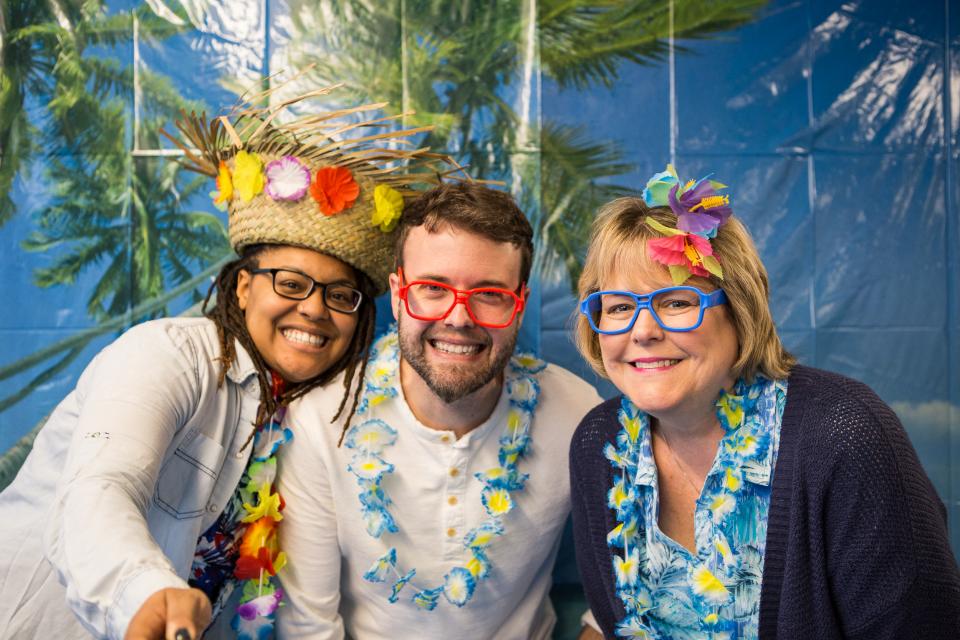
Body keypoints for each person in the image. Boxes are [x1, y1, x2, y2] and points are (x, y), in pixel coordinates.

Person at [0, 85, 451, 640]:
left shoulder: (317, 415)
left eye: (340, 296)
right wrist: (145, 593)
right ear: (242, 288)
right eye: (290, 283)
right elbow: (102, 486)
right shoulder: (169, 356)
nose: (314, 309)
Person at [568, 165, 960, 639]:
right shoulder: (598, 443)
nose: (643, 331)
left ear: (739, 309)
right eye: (619, 307)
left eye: (676, 302)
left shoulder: (845, 432)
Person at [273, 182, 602, 639]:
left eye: (489, 294)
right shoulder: (321, 420)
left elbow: (629, 583)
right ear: (399, 292)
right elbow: (307, 625)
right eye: (433, 288)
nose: (458, 318)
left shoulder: (578, 415)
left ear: (520, 304)